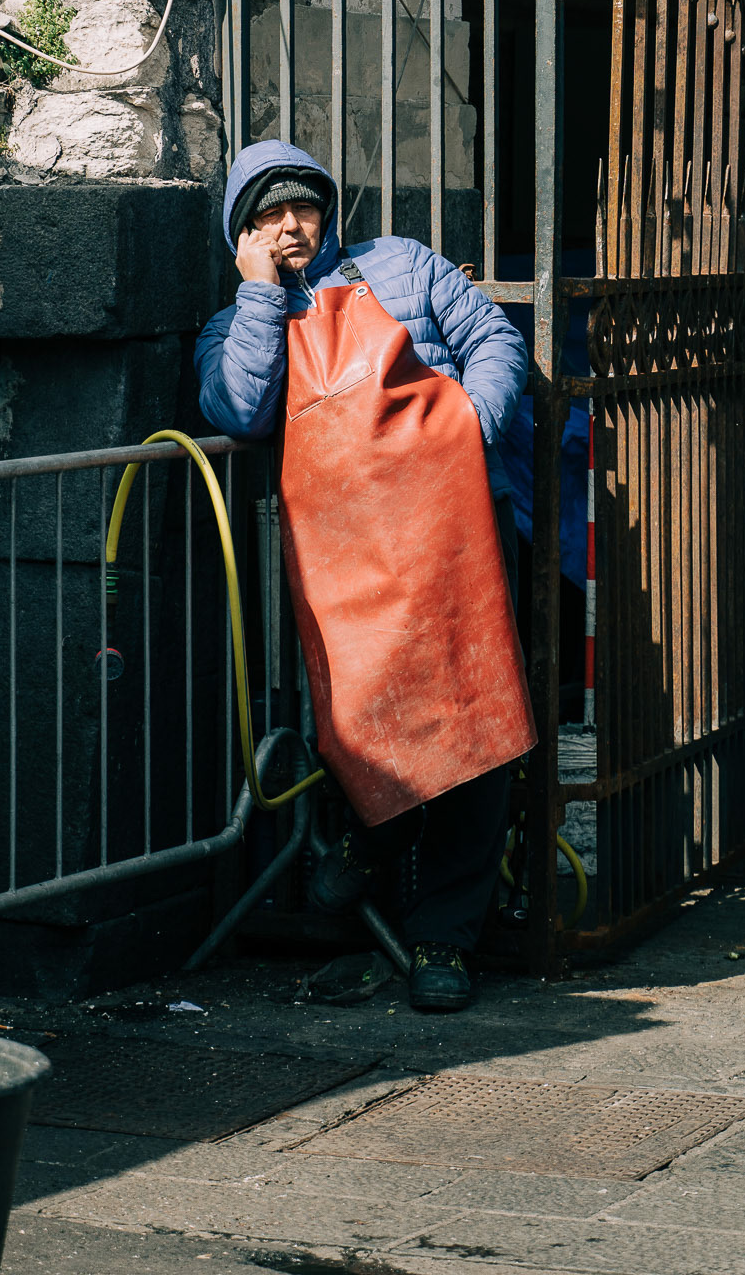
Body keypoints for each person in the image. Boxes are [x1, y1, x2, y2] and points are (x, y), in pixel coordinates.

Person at [195, 139, 534, 1012]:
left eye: (301, 206)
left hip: (455, 535)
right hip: (346, 561)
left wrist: (464, 432)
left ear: (328, 209)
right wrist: (260, 292)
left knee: (475, 724)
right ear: (240, 231)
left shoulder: (406, 266)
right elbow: (238, 405)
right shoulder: (235, 322)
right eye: (266, 215)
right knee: (357, 717)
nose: (288, 224)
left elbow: (494, 337)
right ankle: (371, 844)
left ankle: (441, 939)